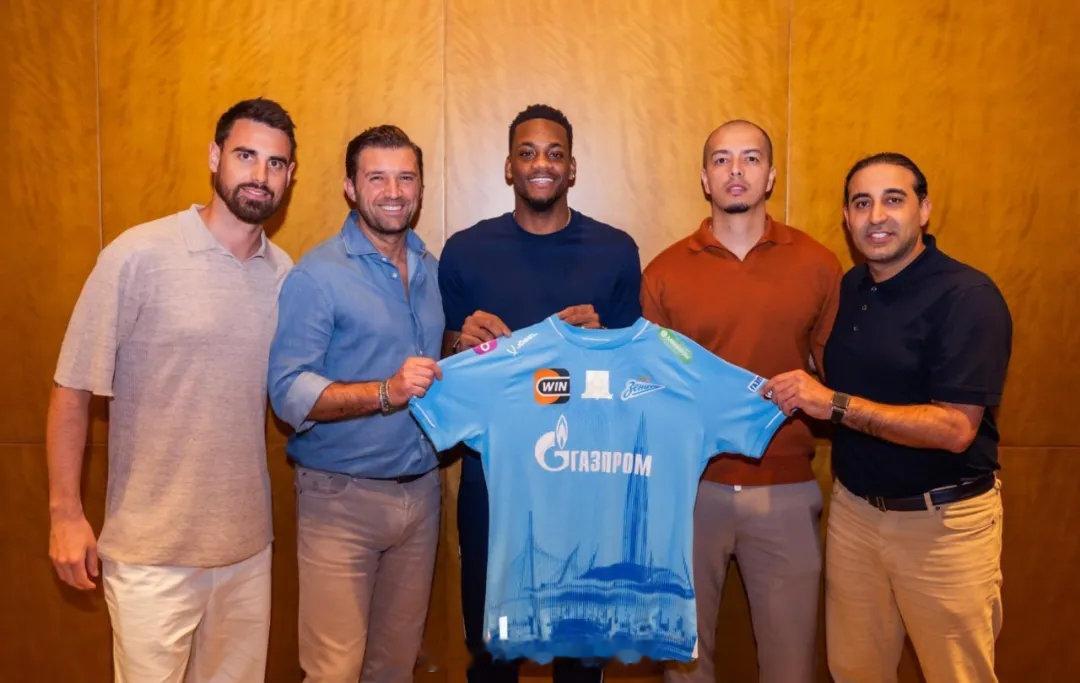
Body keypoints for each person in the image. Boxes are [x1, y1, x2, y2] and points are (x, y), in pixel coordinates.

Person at [47, 97, 296, 681]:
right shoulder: (137, 255)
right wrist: (65, 515)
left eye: (276, 163)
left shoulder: (284, 274)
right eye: (245, 155)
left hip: (246, 552)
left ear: (290, 176)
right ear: (214, 157)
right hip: (150, 558)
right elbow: (72, 390)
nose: (260, 175)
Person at [763, 152, 1012, 683]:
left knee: (956, 674)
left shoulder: (967, 297)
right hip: (855, 516)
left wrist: (834, 404)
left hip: (943, 527)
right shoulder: (852, 288)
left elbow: (955, 429)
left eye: (893, 200)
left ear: (924, 209)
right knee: (855, 670)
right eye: (862, 203)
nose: (876, 216)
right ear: (847, 218)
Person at [438, 103, 642, 682]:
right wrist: (460, 342)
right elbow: (445, 367)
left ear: (572, 168)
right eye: (527, 153)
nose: (541, 164)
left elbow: (634, 378)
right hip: (493, 476)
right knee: (492, 648)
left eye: (555, 153)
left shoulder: (615, 250)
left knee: (579, 652)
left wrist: (607, 341)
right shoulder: (466, 251)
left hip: (585, 476)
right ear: (509, 166)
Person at [641, 119, 841, 683]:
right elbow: (650, 391)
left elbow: (834, 381)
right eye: (722, 159)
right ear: (705, 178)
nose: (736, 171)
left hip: (785, 488)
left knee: (789, 664)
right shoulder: (664, 271)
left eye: (751, 158)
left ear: (770, 175)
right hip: (690, 491)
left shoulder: (819, 264)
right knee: (684, 661)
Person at [267, 125, 443, 682]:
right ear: (350, 187)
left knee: (394, 668)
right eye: (377, 178)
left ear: (420, 187)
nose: (393, 191)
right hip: (340, 501)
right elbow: (287, 392)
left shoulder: (432, 269)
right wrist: (385, 392)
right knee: (334, 671)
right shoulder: (318, 276)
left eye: (405, 178)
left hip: (421, 495)